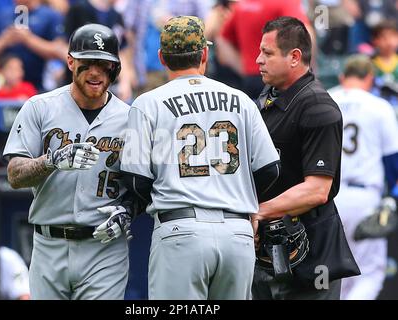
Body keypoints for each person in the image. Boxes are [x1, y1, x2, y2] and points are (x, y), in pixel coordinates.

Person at [120, 15, 280, 300]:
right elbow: (270, 170)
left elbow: (135, 181)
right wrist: (235, 195)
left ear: (162, 58)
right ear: (204, 53)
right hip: (237, 232)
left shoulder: (148, 103)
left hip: (180, 230)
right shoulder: (241, 99)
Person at [3, 24, 133, 300]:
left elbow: (145, 182)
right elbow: (14, 175)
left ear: (115, 68)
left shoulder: (130, 117)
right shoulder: (40, 106)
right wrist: (52, 160)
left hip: (104, 248)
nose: (96, 72)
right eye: (87, 64)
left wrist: (130, 211)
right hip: (49, 245)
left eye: (104, 64)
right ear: (71, 62)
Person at [252, 16, 359, 300]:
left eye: (268, 53)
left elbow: (317, 190)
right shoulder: (267, 97)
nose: (257, 60)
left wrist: (258, 211)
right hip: (267, 248)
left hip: (311, 252)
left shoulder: (318, 107)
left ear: (295, 57)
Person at [328, 55, 398, 300]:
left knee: (337, 275)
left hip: (327, 197)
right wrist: (392, 196)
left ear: (342, 77)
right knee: (370, 274)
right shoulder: (379, 106)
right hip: (363, 197)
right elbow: (393, 161)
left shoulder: (326, 99)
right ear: (370, 79)